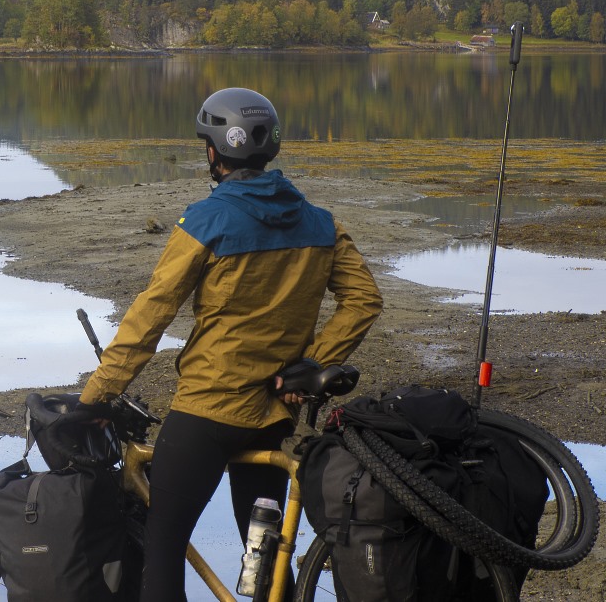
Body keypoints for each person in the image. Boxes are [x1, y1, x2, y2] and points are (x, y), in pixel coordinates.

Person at [78, 87, 383, 602]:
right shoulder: (323, 224)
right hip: (273, 413)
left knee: (164, 541)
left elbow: (149, 317)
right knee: (263, 555)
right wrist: (313, 365)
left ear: (216, 151)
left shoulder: (205, 221)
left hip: (207, 411)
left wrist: (96, 395)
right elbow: (364, 300)